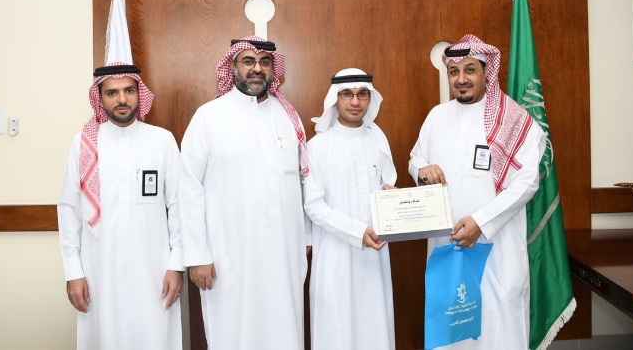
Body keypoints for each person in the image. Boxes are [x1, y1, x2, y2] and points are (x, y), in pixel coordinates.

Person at [408, 35, 545, 350]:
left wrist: (481, 222)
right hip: (447, 245)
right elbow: (416, 158)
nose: (461, 79)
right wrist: (421, 171)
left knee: (498, 327)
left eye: (470, 70)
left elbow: (527, 182)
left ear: (486, 71)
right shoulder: (437, 116)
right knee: (452, 332)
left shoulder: (513, 120)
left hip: (496, 247)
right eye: (454, 72)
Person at [179, 36, 309, 350]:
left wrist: (306, 238)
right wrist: (197, 255)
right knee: (233, 330)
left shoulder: (288, 116)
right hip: (228, 253)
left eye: (265, 62)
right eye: (248, 61)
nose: (257, 69)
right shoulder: (209, 117)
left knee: (283, 327)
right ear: (233, 66)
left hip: (284, 251)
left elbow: (304, 183)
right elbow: (187, 188)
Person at [57, 63, 184, 350]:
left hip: (154, 270)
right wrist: (73, 272)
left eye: (129, 90)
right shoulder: (83, 145)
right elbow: (68, 211)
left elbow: (179, 208)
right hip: (99, 271)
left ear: (140, 94)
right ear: (100, 98)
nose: (122, 99)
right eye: (112, 93)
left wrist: (176, 266)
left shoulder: (162, 140)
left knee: (155, 337)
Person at [304, 68, 397, 350]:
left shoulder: (378, 140)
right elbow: (314, 205)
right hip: (335, 254)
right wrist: (357, 231)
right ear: (335, 98)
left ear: (370, 98)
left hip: (375, 254)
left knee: (375, 326)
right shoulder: (317, 146)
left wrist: (392, 198)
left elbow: (387, 186)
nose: (355, 101)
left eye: (362, 94)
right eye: (347, 94)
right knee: (338, 329)